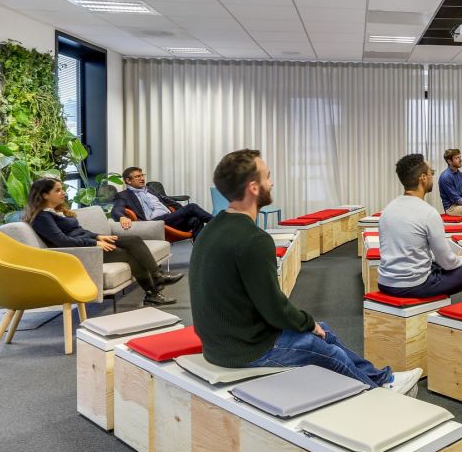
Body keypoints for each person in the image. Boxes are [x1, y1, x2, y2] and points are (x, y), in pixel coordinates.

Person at [189, 148, 422, 396]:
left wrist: (310, 325)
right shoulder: (253, 240)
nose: (272, 183)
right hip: (245, 349)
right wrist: (308, 324)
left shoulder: (212, 228)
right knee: (323, 348)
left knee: (324, 331)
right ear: (254, 187)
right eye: (268, 177)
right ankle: (379, 396)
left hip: (219, 343)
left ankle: (383, 378)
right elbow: (274, 308)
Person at [25, 178, 182, 306]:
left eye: (62, 189)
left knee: (133, 240)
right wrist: (94, 243)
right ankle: (153, 291)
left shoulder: (57, 211)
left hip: (89, 244)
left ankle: (157, 277)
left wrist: (98, 236)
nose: (63, 193)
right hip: (83, 253)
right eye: (58, 190)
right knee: (129, 255)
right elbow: (62, 241)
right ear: (45, 195)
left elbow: (79, 231)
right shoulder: (42, 217)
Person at [378, 153, 462, 300]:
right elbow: (447, 263)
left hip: (385, 282)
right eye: (431, 172)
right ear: (423, 178)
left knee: (437, 264)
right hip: (415, 285)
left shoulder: (388, 210)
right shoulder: (428, 213)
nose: (433, 176)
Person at [111, 167, 212, 237]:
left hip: (169, 219)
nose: (142, 179)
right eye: (138, 176)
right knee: (191, 207)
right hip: (153, 223)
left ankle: (200, 252)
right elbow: (116, 209)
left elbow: (168, 201)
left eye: (142, 175)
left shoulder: (150, 190)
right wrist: (122, 217)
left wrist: (182, 212)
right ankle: (217, 224)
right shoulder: (123, 195)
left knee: (196, 220)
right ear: (128, 181)